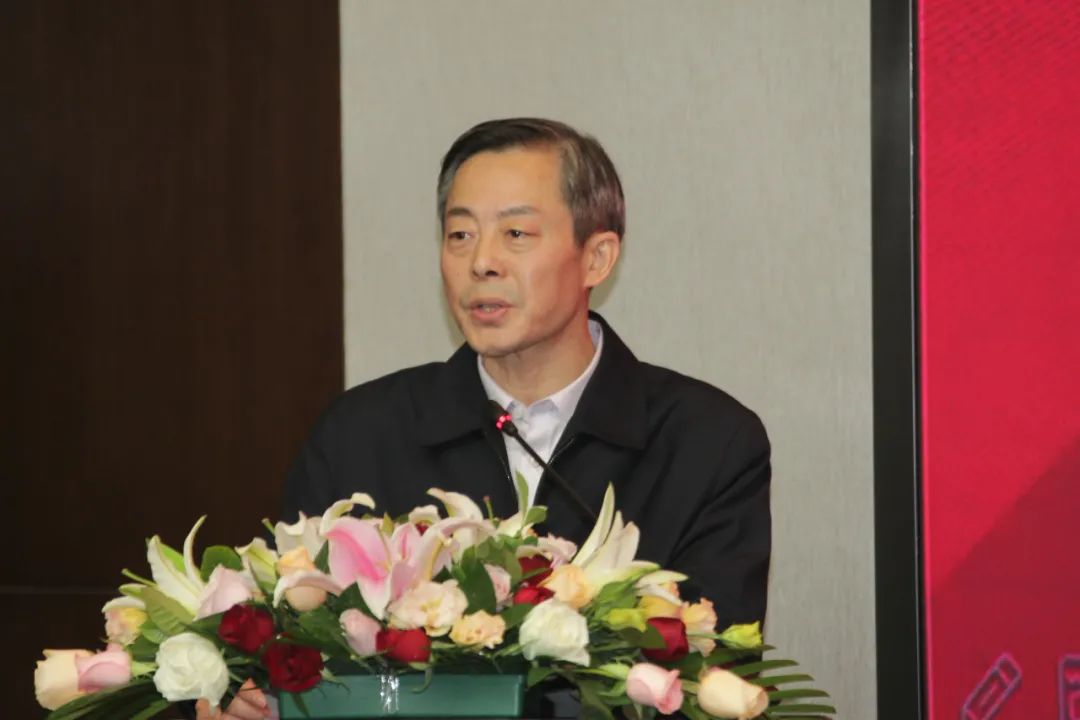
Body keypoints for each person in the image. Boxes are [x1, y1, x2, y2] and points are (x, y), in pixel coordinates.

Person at [199, 118, 771, 719]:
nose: (482, 262)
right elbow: (272, 636)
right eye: (460, 235)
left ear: (597, 257)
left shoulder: (706, 441)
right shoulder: (361, 433)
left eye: (516, 233)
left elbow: (714, 678)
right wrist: (235, 694)